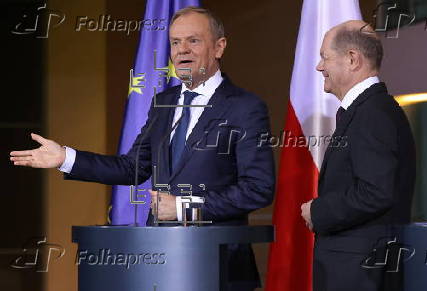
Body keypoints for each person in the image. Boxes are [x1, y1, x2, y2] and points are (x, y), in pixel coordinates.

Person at [10, 7, 275, 291]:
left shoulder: (245, 108)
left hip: (218, 266)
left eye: (193, 41)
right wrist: (67, 157)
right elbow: (132, 167)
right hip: (159, 261)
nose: (182, 50)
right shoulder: (163, 102)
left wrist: (185, 208)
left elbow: (257, 188)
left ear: (219, 47)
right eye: (175, 42)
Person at [301, 20, 415, 291]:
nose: (319, 67)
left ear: (352, 59)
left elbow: (376, 191)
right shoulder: (369, 110)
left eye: (324, 58)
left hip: (361, 273)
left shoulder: (372, 113)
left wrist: (318, 210)